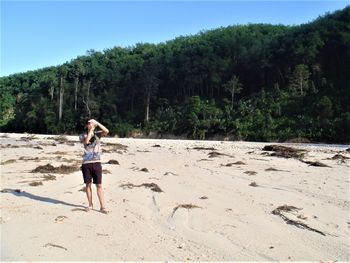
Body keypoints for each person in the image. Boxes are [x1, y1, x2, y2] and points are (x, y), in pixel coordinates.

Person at [79, 119, 109, 214]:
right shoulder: (82, 135)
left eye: (91, 123)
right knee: (88, 185)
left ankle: (102, 206)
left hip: (96, 162)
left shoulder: (98, 134)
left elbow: (107, 131)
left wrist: (98, 122)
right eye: (88, 123)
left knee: (99, 185)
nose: (90, 124)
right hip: (86, 163)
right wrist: (91, 131)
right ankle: (90, 204)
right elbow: (87, 141)